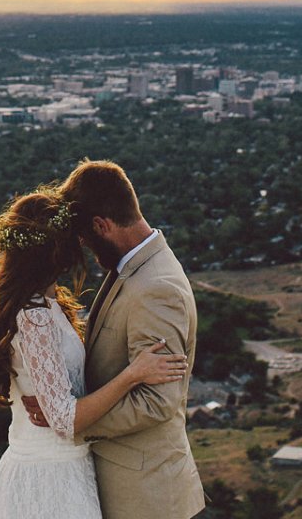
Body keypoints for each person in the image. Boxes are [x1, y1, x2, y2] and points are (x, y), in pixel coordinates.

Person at [0, 186, 188, 519]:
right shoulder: (35, 318)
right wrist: (134, 374)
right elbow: (65, 420)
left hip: (64, 469)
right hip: (49, 481)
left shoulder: (47, 307)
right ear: (58, 252)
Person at [58, 159, 206, 519]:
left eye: (86, 238)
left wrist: (72, 422)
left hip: (146, 495)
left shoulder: (156, 288)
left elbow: (157, 402)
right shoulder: (133, 268)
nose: (88, 250)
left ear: (101, 225)